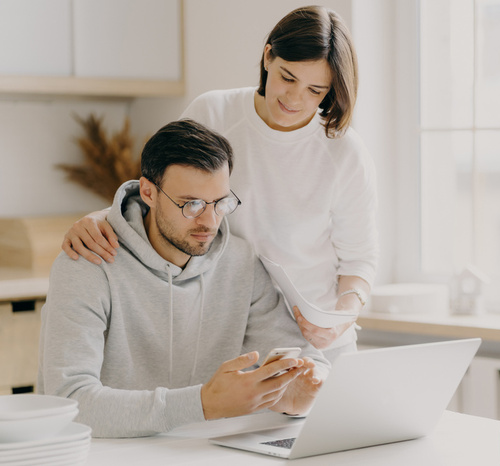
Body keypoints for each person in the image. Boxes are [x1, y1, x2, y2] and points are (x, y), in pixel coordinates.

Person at [61, 5, 379, 362]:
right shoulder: (214, 113)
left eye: (315, 90)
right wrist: (102, 220)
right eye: (287, 78)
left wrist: (341, 317)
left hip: (318, 346)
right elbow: (165, 193)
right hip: (225, 337)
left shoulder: (344, 152)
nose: (294, 99)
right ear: (268, 55)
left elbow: (359, 261)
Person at [38, 119, 329, 438]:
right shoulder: (88, 262)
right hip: (107, 454)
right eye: (191, 204)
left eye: (220, 203)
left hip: (206, 452)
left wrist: (297, 398)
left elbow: (305, 360)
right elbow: (70, 403)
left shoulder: (240, 261)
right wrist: (202, 405)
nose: (209, 221)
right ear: (148, 191)